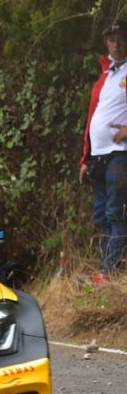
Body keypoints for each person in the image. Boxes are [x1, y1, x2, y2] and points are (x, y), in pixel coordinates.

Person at [80, 19, 127, 285]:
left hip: (120, 153)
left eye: (121, 38)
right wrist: (84, 159)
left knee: (116, 212)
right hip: (98, 155)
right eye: (111, 39)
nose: (116, 44)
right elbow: (92, 117)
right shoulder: (107, 74)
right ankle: (104, 269)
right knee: (101, 213)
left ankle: (110, 272)